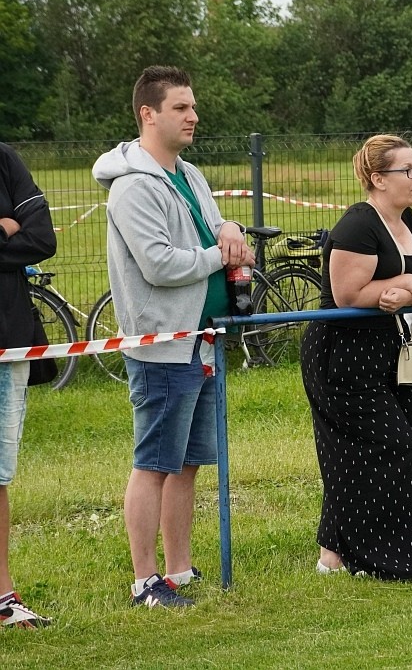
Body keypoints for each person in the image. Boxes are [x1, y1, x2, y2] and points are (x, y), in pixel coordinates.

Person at [93, 66, 254, 607]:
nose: (194, 116)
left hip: (202, 338)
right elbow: (159, 265)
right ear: (148, 114)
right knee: (154, 463)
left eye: (193, 106)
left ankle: (179, 571)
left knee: (186, 463)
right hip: (162, 344)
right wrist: (220, 252)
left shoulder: (191, 174)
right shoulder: (133, 189)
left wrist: (229, 229)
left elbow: (212, 225)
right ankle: (145, 581)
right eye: (181, 107)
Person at [299, 134, 412, 579]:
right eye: (409, 170)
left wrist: (402, 288)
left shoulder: (410, 221)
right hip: (342, 354)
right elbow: (349, 294)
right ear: (378, 178)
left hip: (392, 347)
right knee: (384, 446)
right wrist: (406, 283)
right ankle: (359, 554)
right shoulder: (358, 226)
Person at [0, 143, 55, 628]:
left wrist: (17, 227)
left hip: (7, 342)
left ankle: (2, 597)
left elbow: (41, 238)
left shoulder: (5, 159)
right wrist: (4, 228)